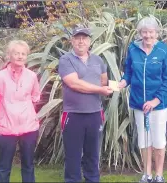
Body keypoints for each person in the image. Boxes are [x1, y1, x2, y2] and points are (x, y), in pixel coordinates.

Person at [118, 17, 167, 183]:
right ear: (139, 33)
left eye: (151, 32)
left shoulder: (164, 51)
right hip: (139, 104)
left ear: (157, 33)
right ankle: (147, 174)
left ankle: (159, 175)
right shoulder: (133, 49)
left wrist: (155, 101)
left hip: (159, 105)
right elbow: (128, 73)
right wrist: (122, 82)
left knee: (158, 140)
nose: (148, 35)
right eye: (144, 32)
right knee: (144, 141)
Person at [58, 27, 113, 182]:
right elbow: (74, 83)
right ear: (72, 41)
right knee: (73, 155)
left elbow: (103, 80)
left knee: (92, 154)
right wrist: (99, 90)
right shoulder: (65, 60)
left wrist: (106, 88)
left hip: (95, 113)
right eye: (77, 38)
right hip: (73, 114)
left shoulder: (98, 60)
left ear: (89, 41)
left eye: (84, 38)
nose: (81, 41)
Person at [0, 40, 41, 183]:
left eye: (23, 53)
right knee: (4, 168)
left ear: (27, 56)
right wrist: (7, 115)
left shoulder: (32, 76)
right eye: (16, 53)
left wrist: (27, 115)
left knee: (28, 166)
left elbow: (35, 98)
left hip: (29, 128)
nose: (20, 56)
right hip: (6, 129)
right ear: (9, 55)